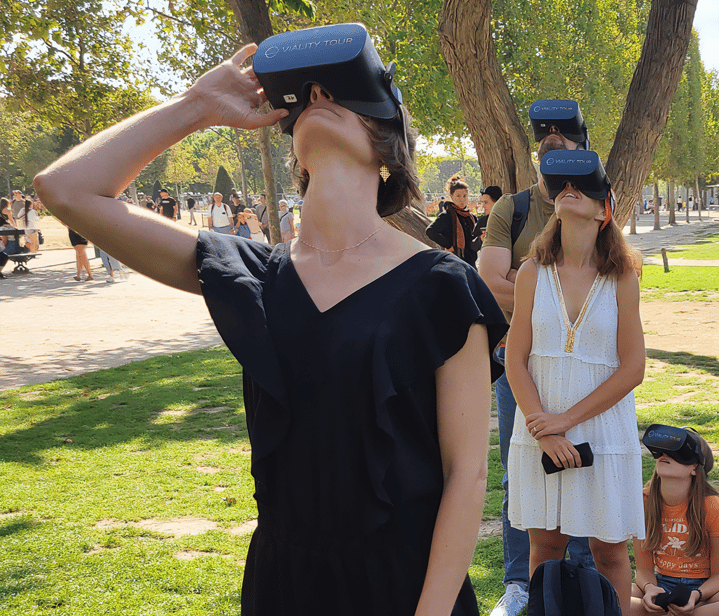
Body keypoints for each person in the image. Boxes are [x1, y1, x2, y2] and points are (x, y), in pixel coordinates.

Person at [34, 35, 506, 615]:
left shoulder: (442, 286)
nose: (316, 97)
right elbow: (65, 189)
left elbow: (468, 474)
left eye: (338, 93)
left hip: (409, 586)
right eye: (305, 98)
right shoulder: (252, 275)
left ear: (388, 146)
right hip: (283, 586)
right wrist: (195, 106)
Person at [505, 149, 644, 616]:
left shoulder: (623, 275)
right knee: (544, 551)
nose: (570, 190)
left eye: (582, 186)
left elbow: (632, 367)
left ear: (604, 208)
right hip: (539, 432)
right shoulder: (531, 272)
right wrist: (545, 430)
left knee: (609, 553)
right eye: (562, 184)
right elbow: (515, 359)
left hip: (603, 434)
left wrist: (565, 420)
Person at [479, 99, 596, 616]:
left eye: (562, 131)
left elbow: (608, 286)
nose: (550, 136)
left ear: (583, 142)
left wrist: (526, 285)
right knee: (519, 472)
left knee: (585, 469)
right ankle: (520, 582)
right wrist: (556, 295)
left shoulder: (598, 201)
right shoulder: (513, 208)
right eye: (542, 131)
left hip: (590, 370)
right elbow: (488, 280)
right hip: (519, 366)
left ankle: (585, 575)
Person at [633, 425, 719, 616]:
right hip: (661, 585)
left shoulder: (715, 507)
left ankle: (682, 612)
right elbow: (643, 570)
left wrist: (695, 596)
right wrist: (650, 588)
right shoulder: (643, 502)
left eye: (675, 452)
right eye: (661, 451)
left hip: (706, 590)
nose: (664, 455)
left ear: (694, 467)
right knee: (616, 594)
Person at [426, 174, 478, 267]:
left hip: (471, 262)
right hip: (454, 262)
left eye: (464, 196)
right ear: (451, 196)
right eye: (458, 196)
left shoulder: (471, 217)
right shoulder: (447, 216)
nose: (462, 199)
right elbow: (430, 231)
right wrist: (448, 245)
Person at [472, 186, 501, 253]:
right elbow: (473, 246)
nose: (483, 206)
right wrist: (480, 239)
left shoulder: (508, 218)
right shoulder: (483, 221)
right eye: (482, 202)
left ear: (497, 202)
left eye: (486, 202)